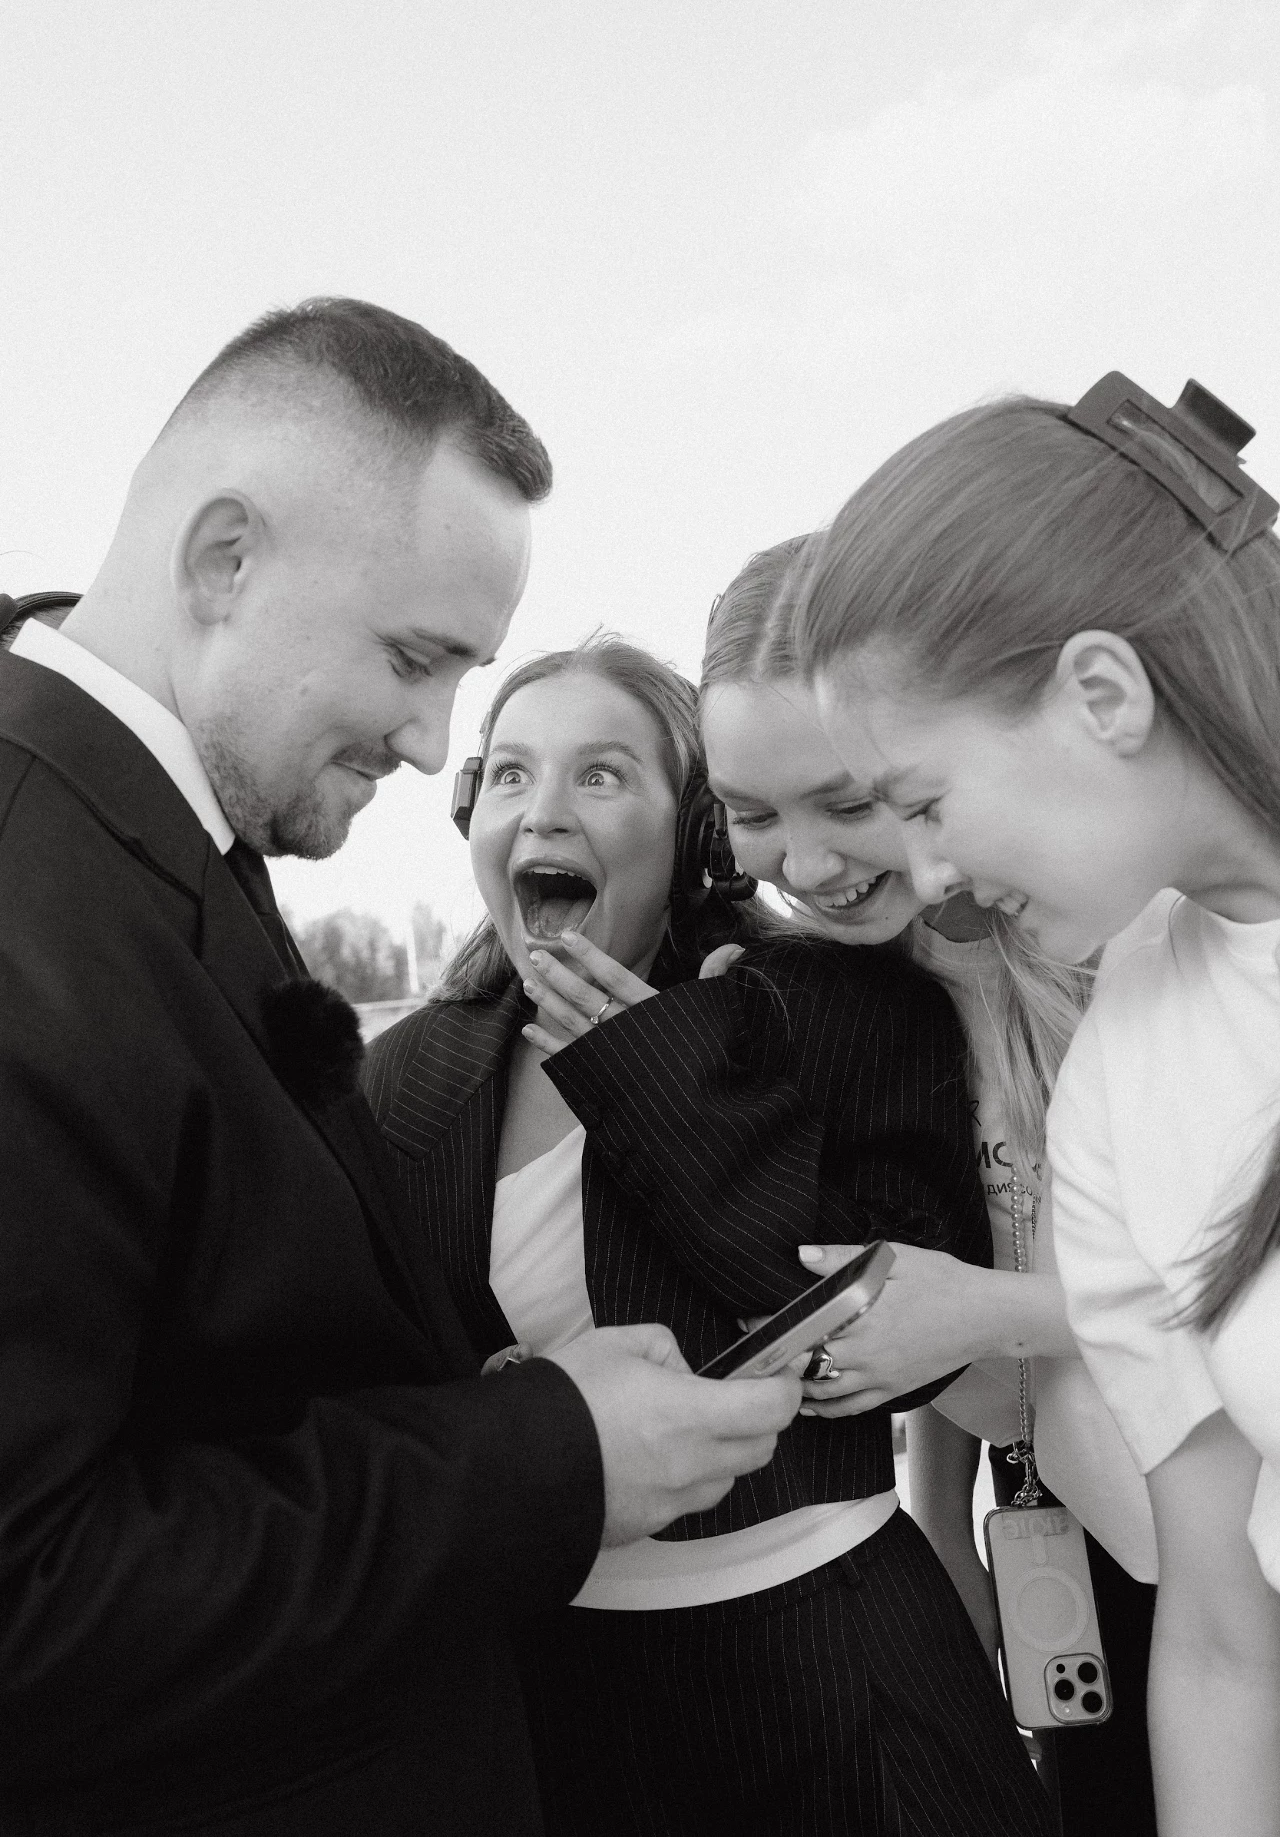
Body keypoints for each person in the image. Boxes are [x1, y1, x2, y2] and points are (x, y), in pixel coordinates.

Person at [0, 298, 800, 1836]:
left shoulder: (151, 836)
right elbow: (32, 1597)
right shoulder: (30, 891)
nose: (438, 748)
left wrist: (502, 1397)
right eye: (414, 659)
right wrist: (546, 1458)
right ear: (224, 561)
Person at [364, 633, 1054, 1837]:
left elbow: (883, 1346)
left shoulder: (838, 1007)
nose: (543, 811)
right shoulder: (401, 1076)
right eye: (511, 774)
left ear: (693, 832)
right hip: (549, 1693)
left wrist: (667, 1085)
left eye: (600, 773)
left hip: (834, 1674)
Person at [789, 375, 1280, 1837]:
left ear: (1101, 695)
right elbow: (1222, 1632)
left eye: (923, 802)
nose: (923, 876)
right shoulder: (1128, 1052)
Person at [699, 537, 1160, 1833]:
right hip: (1071, 1540)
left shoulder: (1125, 935)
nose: (804, 864)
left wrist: (988, 1315)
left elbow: (1216, 1284)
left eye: (845, 803)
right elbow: (946, 1262)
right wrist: (945, 1524)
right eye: (752, 813)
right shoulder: (848, 994)